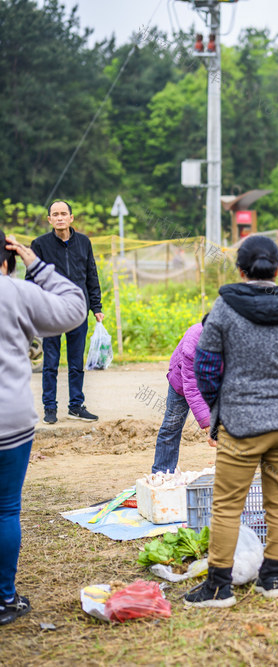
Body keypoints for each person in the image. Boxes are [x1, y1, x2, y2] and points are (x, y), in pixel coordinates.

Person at [186, 235, 278, 607]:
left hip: (241, 424)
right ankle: (273, 579)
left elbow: (206, 366)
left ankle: (218, 588)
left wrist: (220, 405)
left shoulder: (224, 309)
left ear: (241, 270)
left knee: (228, 504)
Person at [1, 233, 87, 625]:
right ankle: (4, 599)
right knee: (5, 510)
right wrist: (35, 263)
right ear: (7, 258)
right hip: (10, 422)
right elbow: (74, 307)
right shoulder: (16, 292)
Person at [29, 201, 103, 423]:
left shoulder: (84, 242)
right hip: (50, 311)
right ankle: (49, 408)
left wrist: (96, 307)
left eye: (64, 214)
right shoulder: (40, 244)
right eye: (55, 214)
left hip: (78, 310)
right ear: (49, 220)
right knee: (50, 362)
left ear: (71, 218)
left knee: (75, 362)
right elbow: (31, 279)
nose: (60, 218)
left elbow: (91, 274)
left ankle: (76, 406)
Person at [150, 315, 216, 474]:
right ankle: (162, 474)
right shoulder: (193, 343)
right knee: (172, 424)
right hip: (182, 380)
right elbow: (192, 387)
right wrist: (208, 425)